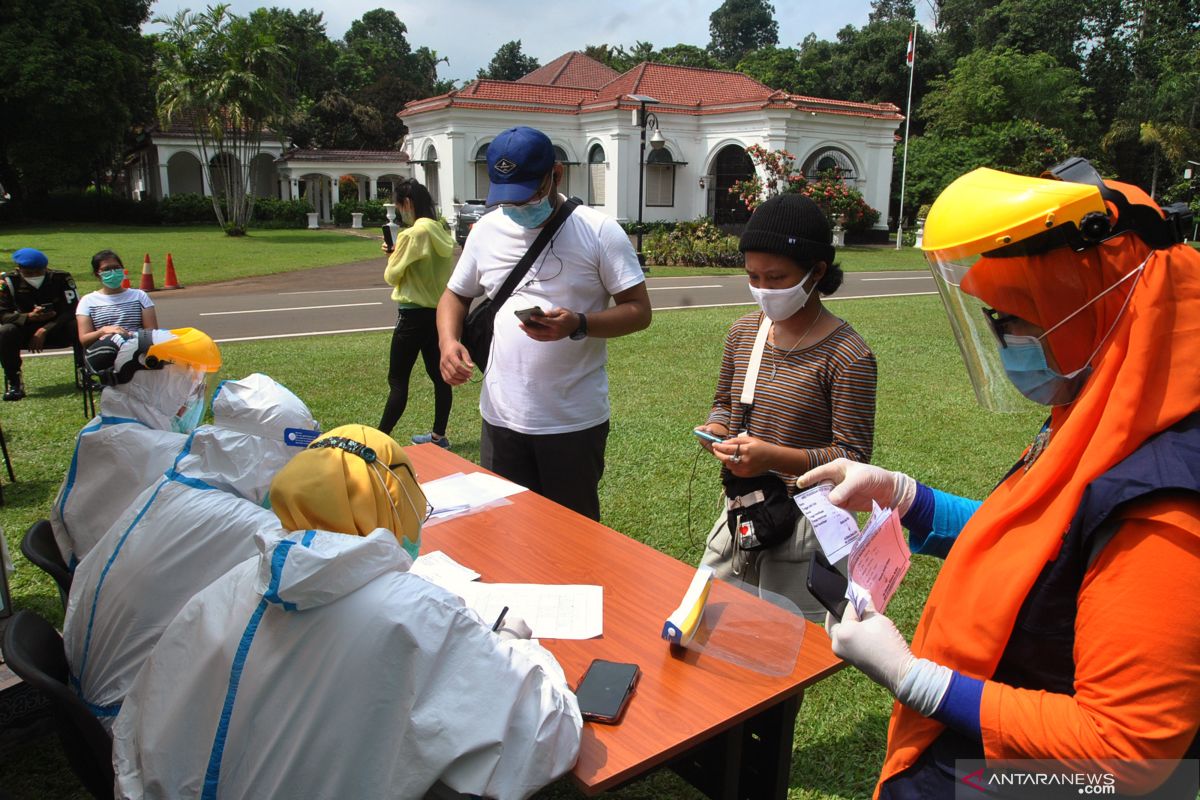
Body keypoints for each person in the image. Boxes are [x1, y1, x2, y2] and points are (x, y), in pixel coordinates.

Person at [800, 160, 1200, 797]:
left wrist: (916, 679)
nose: (1002, 337)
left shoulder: (1167, 506)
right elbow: (1043, 551)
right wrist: (907, 498)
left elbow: (1129, 755)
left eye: (1010, 316)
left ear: (1086, 309)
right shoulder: (1107, 408)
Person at [113, 424, 583, 800]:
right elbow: (543, 739)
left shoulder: (234, 584)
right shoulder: (413, 611)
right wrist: (521, 647)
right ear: (397, 501)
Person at [64, 373, 319, 731]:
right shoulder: (234, 518)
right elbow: (316, 569)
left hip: (103, 684)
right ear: (259, 454)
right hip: (131, 716)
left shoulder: (182, 483)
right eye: (291, 458)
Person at [437, 126, 652, 521]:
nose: (518, 207)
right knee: (504, 531)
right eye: (507, 197)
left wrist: (580, 324)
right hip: (500, 419)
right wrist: (449, 342)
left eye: (528, 194)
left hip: (571, 423)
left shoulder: (599, 232)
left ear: (557, 174)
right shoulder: (486, 230)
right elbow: (454, 295)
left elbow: (639, 310)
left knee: (573, 540)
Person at [695, 194, 877, 620]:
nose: (762, 290)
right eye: (753, 277)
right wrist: (717, 428)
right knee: (708, 627)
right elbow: (724, 402)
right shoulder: (744, 332)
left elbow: (852, 457)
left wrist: (772, 458)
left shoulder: (848, 355)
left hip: (805, 530)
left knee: (785, 651)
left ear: (816, 272)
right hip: (743, 514)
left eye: (776, 278)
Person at [51, 328, 222, 567]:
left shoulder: (102, 428)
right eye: (189, 388)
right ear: (156, 383)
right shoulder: (160, 451)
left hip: (104, 566)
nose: (190, 402)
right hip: (122, 575)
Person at [377, 178, 456, 448]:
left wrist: (392, 254)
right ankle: (438, 436)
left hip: (411, 315)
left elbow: (391, 275)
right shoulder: (442, 230)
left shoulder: (411, 235)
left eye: (399, 205)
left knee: (397, 380)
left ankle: (379, 438)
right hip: (437, 315)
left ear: (407, 203)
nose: (400, 211)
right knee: (439, 377)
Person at [0, 247, 79, 400]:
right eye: (29, 273)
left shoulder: (61, 278)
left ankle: (84, 372)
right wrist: (28, 317)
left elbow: (72, 309)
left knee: (77, 324)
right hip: (24, 330)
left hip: (56, 328)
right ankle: (14, 381)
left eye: (39, 272)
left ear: (46, 268)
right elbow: (2, 314)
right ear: (19, 270)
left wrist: (45, 329)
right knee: (5, 331)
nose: (35, 276)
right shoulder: (7, 281)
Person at [76, 250, 157, 348]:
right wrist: (102, 332)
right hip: (105, 352)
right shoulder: (87, 301)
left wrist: (129, 336)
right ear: (97, 274)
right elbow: (84, 339)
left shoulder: (139, 295)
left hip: (136, 348)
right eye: (107, 269)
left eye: (116, 268)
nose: (113, 272)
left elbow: (152, 330)